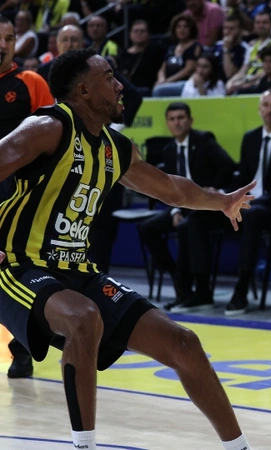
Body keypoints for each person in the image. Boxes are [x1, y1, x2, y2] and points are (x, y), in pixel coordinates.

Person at [0, 47, 255, 450]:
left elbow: (171, 189)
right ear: (83, 91)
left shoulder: (114, 148)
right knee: (84, 319)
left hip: (78, 271)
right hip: (17, 265)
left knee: (184, 343)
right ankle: (84, 446)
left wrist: (221, 201)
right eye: (109, 78)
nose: (120, 86)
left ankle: (239, 448)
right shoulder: (48, 127)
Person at [185, 89, 271, 316]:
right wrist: (222, 194)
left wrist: (249, 201)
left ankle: (241, 290)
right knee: (198, 216)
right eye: (266, 105)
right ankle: (201, 291)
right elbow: (241, 178)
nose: (270, 110)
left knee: (251, 214)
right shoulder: (250, 138)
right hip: (249, 205)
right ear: (259, 109)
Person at [139, 101, 236, 311]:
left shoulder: (204, 140)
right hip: (182, 205)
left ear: (190, 120)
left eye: (181, 118)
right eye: (172, 119)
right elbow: (168, 186)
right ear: (167, 123)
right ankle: (178, 279)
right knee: (147, 228)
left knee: (189, 225)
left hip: (208, 204)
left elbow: (228, 166)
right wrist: (174, 210)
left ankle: (202, 292)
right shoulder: (168, 149)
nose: (177, 123)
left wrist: (215, 189)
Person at [0, 15, 54, 380]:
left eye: (9, 38)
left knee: (14, 270)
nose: (3, 44)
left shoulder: (30, 82)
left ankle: (21, 351)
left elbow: (52, 138)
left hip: (16, 194)